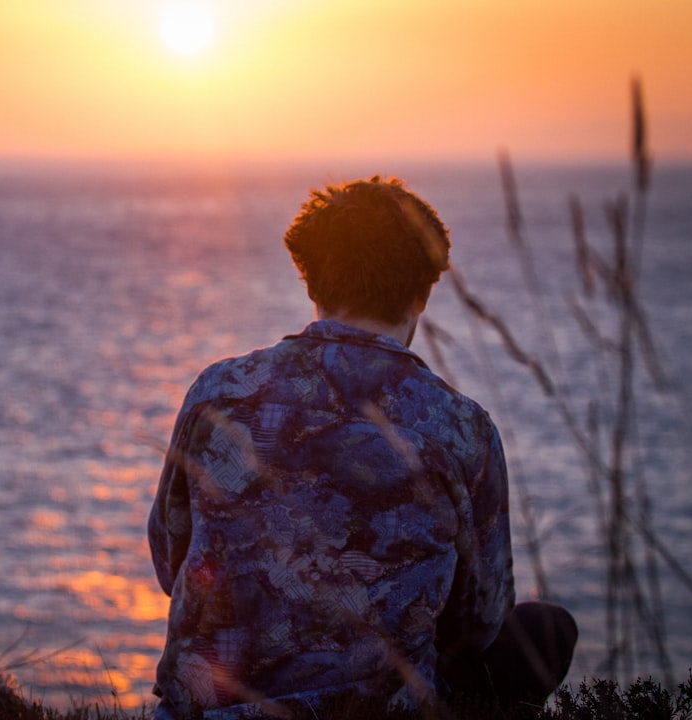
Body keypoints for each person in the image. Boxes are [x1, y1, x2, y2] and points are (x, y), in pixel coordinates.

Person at [148, 176, 576, 718]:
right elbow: (482, 620)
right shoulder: (463, 430)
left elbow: (171, 561)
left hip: (208, 711)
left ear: (312, 285)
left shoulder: (219, 392)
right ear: (423, 292)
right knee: (547, 631)